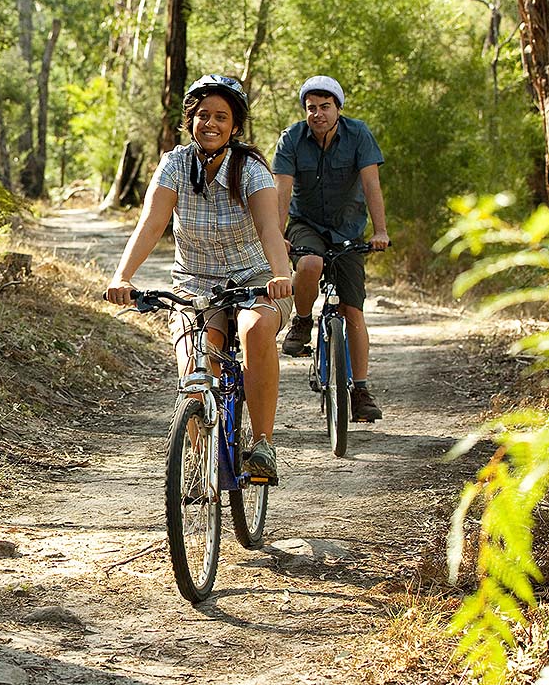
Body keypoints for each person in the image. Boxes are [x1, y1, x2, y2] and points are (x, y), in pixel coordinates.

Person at [105, 75, 294, 482]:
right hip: (194, 282)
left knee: (256, 328)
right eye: (202, 115)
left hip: (256, 276)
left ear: (235, 126)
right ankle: (199, 458)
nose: (211, 123)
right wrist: (123, 276)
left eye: (221, 117)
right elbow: (151, 224)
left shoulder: (251, 169)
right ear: (190, 121)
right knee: (195, 360)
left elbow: (268, 228)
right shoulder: (174, 165)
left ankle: (262, 445)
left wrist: (281, 275)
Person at [273, 75, 389, 422]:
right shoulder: (292, 139)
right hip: (306, 224)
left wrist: (380, 231)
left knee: (353, 311)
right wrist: (277, 235)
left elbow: (371, 185)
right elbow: (281, 191)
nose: (318, 114)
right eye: (311, 108)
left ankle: (361, 390)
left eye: (325, 107)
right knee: (308, 264)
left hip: (348, 227)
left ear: (338, 108)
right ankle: (303, 320)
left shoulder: (358, 135)